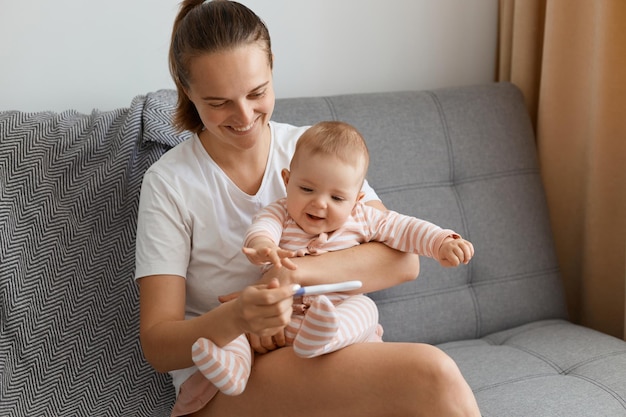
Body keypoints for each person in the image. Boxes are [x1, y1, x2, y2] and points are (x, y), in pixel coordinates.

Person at [135, 0, 482, 415]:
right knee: (432, 374)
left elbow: (400, 262)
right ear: (188, 92)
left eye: (257, 92)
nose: (244, 116)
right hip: (228, 380)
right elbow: (158, 345)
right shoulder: (169, 183)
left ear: (272, 68)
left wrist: (291, 274)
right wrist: (241, 319)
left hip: (314, 343)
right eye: (218, 102)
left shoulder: (311, 149)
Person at [191, 120, 475, 397]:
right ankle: (233, 368)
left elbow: (405, 227)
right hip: (280, 319)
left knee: (365, 306)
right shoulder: (280, 212)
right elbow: (262, 229)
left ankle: (328, 335)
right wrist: (265, 247)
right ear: (287, 181)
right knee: (240, 319)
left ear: (356, 199)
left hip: (337, 315)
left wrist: (440, 241)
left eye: (337, 198)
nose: (320, 203)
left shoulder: (363, 217)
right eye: (306, 189)